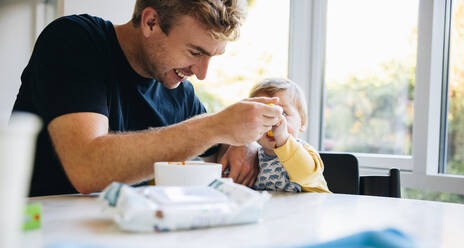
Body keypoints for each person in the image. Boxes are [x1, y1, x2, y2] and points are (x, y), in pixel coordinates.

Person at [13, 0, 284, 196]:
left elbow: (221, 145)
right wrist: (215, 126)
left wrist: (243, 145)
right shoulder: (75, 39)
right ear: (151, 22)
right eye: (194, 52)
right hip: (38, 231)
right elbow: (87, 169)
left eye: (212, 57)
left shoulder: (180, 92)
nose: (201, 74)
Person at [249, 78, 330, 193]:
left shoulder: (305, 151)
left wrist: (283, 138)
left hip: (310, 209)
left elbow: (305, 174)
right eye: (264, 114)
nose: (273, 120)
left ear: (302, 122)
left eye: (283, 113)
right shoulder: (252, 157)